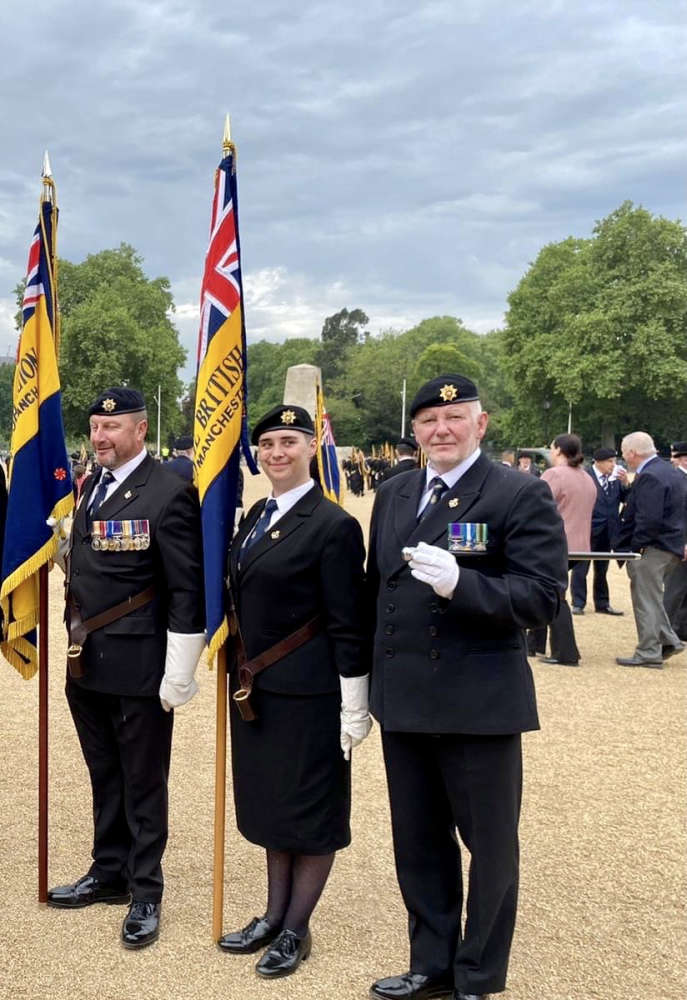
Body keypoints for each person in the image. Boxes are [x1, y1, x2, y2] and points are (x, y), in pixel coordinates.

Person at [366, 374, 567, 1000]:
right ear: (417, 431)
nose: (441, 430)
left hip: (478, 702)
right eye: (428, 421)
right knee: (418, 842)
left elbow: (541, 597)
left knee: (490, 846)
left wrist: (463, 584)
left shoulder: (518, 493)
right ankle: (431, 964)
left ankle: (478, 974)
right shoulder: (396, 492)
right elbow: (380, 591)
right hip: (405, 700)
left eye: (454, 419)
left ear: (481, 424)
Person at [47, 387, 205, 950]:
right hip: (86, 659)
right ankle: (109, 870)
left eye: (112, 428)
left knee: (142, 779)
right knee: (104, 772)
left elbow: (187, 587)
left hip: (140, 662)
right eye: (95, 428)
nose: (100, 437)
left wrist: (180, 668)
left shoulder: (170, 492)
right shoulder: (91, 486)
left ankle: (145, 891)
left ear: (140, 431)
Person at [219, 404, 371, 977]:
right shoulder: (257, 513)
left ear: (312, 447)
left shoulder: (333, 525)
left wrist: (354, 703)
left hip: (310, 694)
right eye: (267, 444)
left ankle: (296, 928)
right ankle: (272, 914)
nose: (276, 452)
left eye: (289, 441)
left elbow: (346, 621)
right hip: (257, 689)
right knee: (271, 807)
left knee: (310, 811)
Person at [615, 431, 686, 668]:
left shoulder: (650, 475)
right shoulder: (671, 472)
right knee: (653, 598)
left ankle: (648, 651)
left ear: (633, 453)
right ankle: (668, 641)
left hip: (653, 547)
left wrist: (636, 547)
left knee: (645, 599)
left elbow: (648, 518)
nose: (624, 458)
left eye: (624, 453)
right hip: (671, 544)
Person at [539, 434, 597, 666]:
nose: (551, 452)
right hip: (580, 546)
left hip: (556, 544)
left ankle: (565, 652)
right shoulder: (586, 477)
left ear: (560, 450)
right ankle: (535, 644)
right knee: (547, 590)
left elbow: (536, 506)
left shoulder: (554, 475)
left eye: (552, 448)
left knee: (554, 595)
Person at [570, 447, 628, 616]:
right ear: (598, 461)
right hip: (587, 529)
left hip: (608, 530)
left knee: (602, 568)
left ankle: (602, 603)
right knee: (581, 567)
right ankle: (578, 603)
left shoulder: (615, 478)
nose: (613, 465)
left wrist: (626, 484)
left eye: (614, 461)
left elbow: (627, 499)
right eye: (610, 461)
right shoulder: (584, 476)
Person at [663, 441, 687, 640]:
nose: (673, 461)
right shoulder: (677, 480)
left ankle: (681, 629)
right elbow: (677, 516)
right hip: (682, 543)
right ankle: (665, 634)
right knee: (674, 590)